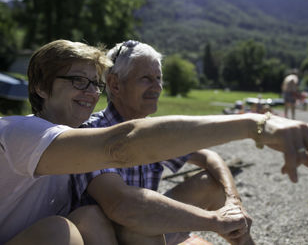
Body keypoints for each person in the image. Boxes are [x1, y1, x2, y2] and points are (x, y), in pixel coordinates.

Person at [0, 39, 308, 245]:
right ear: (40, 87)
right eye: (78, 81)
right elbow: (121, 149)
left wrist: (229, 206)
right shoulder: (19, 131)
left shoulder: (81, 135)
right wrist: (253, 124)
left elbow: (191, 153)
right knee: (72, 226)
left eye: (93, 83)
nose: (90, 92)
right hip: (96, 231)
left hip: (129, 228)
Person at [72, 41, 254, 244]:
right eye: (146, 79)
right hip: (111, 234)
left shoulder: (153, 131)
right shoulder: (93, 131)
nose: (157, 87)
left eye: (159, 78)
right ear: (115, 84)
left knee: (210, 183)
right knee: (131, 226)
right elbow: (122, 205)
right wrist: (214, 221)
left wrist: (233, 201)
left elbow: (209, 157)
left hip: (147, 225)